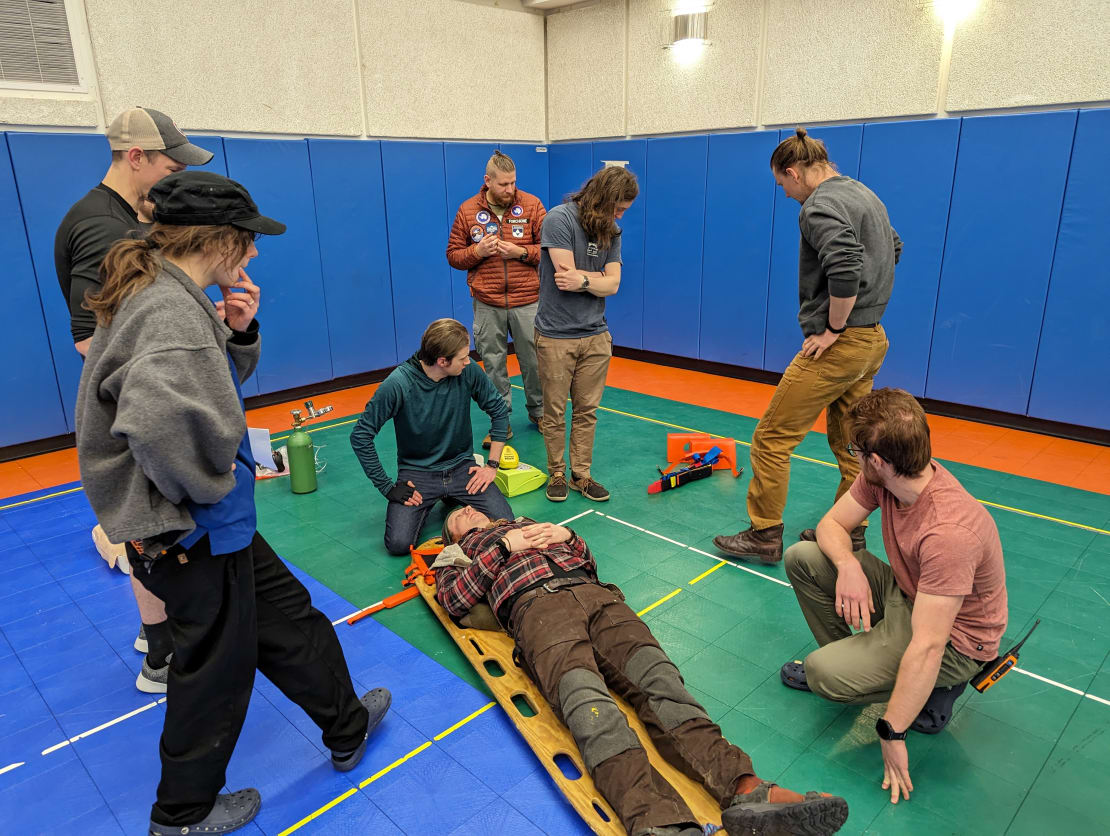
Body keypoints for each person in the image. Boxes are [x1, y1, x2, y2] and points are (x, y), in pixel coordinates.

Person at [74, 171, 390, 836]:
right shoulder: (169, 313)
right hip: (189, 531)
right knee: (215, 670)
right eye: (246, 244)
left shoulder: (167, 292)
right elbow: (160, 425)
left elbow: (201, 390)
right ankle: (181, 816)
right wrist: (211, 490)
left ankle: (346, 723)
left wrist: (237, 333)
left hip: (209, 527)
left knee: (289, 621)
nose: (251, 256)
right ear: (219, 242)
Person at [437, 506, 849, 836]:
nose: (468, 511)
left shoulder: (527, 522)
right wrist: (503, 549)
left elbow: (591, 564)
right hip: (538, 610)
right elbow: (454, 599)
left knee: (663, 685)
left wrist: (570, 538)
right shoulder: (459, 554)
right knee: (589, 706)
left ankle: (747, 790)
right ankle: (660, 822)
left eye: (472, 508)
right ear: (453, 534)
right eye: (458, 516)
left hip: (598, 597)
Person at [779, 388, 1007, 805]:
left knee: (822, 673)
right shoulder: (887, 479)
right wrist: (849, 567)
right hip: (910, 595)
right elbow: (830, 525)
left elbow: (928, 644)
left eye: (855, 450)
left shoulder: (948, 534)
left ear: (878, 460)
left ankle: (934, 689)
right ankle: (865, 662)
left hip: (955, 639)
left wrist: (892, 731)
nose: (854, 457)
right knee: (804, 557)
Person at [54, 106, 214, 693]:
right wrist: (173, 359)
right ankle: (161, 655)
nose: (172, 180)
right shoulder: (103, 226)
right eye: (169, 166)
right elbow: (90, 339)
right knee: (148, 527)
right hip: (131, 413)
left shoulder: (126, 216)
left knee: (147, 528)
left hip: (132, 402)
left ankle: (158, 639)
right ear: (135, 157)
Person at [714, 127, 901, 564]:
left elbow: (845, 262)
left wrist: (834, 327)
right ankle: (851, 529)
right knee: (851, 441)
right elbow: (893, 246)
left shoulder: (818, 205)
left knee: (772, 438)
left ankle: (764, 535)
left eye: (782, 184)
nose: (785, 193)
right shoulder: (864, 194)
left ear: (794, 172)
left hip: (841, 345)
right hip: (873, 339)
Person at [349, 318, 513, 556]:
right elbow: (360, 436)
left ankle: (451, 497)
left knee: (504, 522)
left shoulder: (468, 372)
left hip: (461, 468)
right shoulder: (398, 384)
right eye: (463, 357)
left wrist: (491, 466)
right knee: (398, 544)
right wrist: (387, 487)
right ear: (442, 361)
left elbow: (498, 410)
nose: (468, 361)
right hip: (418, 474)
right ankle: (447, 499)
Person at [535, 166, 638, 503]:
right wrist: (593, 280)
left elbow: (615, 284)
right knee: (554, 411)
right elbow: (565, 277)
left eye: (624, 210)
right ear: (601, 199)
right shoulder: (559, 219)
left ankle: (581, 475)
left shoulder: (613, 231)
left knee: (587, 411)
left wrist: (584, 280)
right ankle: (557, 473)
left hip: (596, 335)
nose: (620, 216)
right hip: (555, 336)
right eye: (617, 207)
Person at [447, 149, 546, 446]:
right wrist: (477, 252)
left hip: (528, 299)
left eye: (513, 183)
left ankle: (539, 413)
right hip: (487, 301)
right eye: (503, 184)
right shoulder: (467, 211)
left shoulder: (532, 205)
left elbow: (550, 249)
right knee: (493, 364)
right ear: (487, 181)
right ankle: (501, 422)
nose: (510, 189)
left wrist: (521, 252)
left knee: (535, 361)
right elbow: (453, 255)